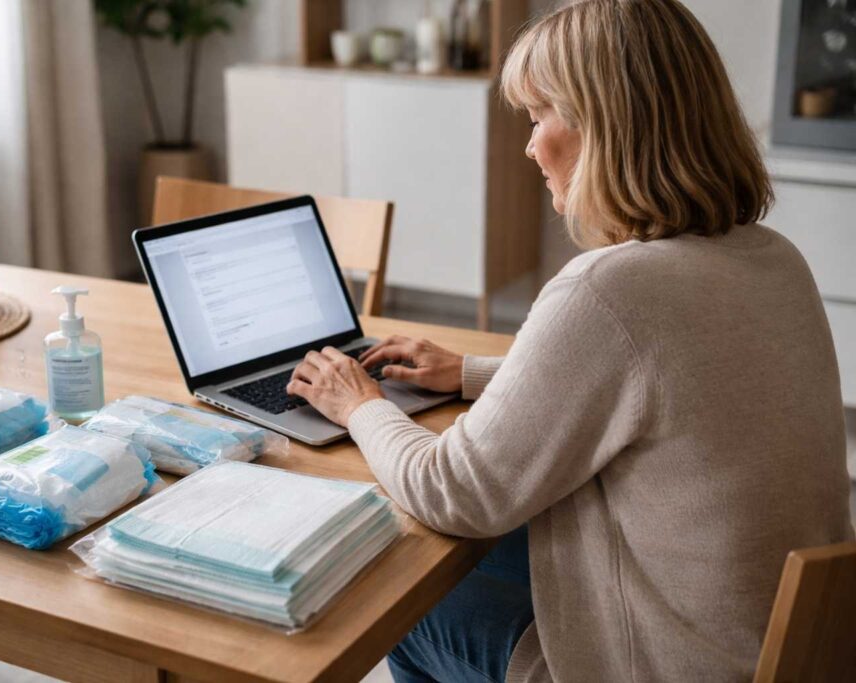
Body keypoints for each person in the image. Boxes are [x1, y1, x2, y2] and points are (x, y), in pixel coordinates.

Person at [285, 0, 855, 681]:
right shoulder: (773, 258)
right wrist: (471, 372)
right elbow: (664, 387)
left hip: (666, 666)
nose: (529, 146)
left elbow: (451, 489)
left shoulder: (611, 291)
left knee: (394, 594)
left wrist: (358, 403)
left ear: (604, 125)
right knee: (493, 544)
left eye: (537, 117)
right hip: (773, 648)